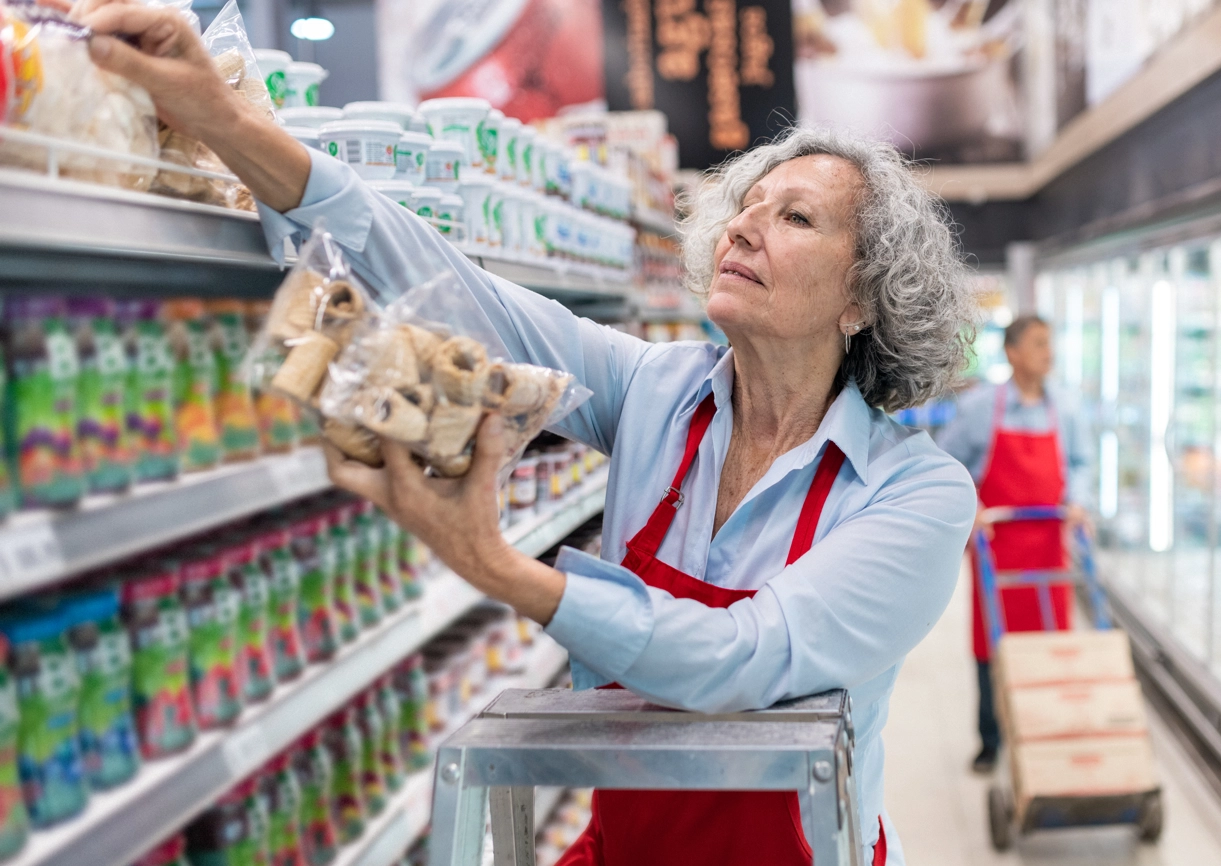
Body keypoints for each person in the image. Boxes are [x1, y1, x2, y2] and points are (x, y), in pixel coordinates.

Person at [74, 4, 979, 862]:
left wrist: (505, 571)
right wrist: (225, 121)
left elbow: (747, 662)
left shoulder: (914, 494)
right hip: (627, 847)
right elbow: (452, 285)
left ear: (864, 297)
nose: (744, 223)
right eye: (748, 202)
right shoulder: (655, 392)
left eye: (796, 217)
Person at [936, 315, 1092, 774]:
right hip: (998, 547)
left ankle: (1045, 729)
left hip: (1047, 545)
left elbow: (1080, 463)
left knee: (1048, 638)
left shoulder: (1065, 408)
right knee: (992, 644)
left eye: (1051, 343)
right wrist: (973, 507)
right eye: (1039, 344)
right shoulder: (983, 407)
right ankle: (991, 738)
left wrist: (1078, 502)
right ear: (1013, 353)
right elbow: (946, 462)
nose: (1049, 352)